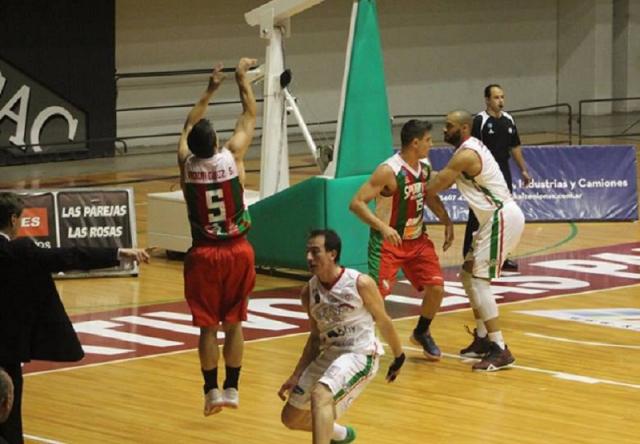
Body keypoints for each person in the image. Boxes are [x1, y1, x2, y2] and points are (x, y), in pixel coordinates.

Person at [0, 192, 149, 443]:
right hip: (6, 349)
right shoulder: (20, 250)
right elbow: (69, 256)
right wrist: (119, 253)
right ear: (13, 220)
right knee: (9, 419)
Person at [177, 57, 258, 416]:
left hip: (203, 255)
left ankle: (211, 391)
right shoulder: (233, 157)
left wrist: (210, 89)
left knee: (208, 329)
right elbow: (249, 116)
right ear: (217, 143)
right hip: (237, 250)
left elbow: (188, 123)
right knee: (234, 323)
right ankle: (234, 388)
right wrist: (243, 80)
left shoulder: (185, 164)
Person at [278, 229, 405, 444]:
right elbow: (315, 337)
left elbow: (383, 320)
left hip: (360, 353)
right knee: (290, 418)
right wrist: (297, 373)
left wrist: (399, 356)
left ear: (332, 254)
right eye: (307, 252)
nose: (309, 257)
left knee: (320, 396)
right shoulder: (308, 292)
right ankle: (341, 435)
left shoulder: (360, 283)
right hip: (331, 353)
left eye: (315, 252)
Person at [427, 110, 525, 371]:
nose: (444, 130)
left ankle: (500, 347)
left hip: (501, 216)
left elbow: (437, 186)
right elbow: (442, 177)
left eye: (449, 126)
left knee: (479, 280)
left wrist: (413, 178)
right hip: (493, 220)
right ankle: (482, 339)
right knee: (469, 275)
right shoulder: (465, 151)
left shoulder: (466, 154)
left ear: (464, 127)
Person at [349, 119, 454, 361]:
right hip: (389, 243)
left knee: (437, 288)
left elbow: (427, 196)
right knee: (376, 297)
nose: (432, 143)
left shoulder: (424, 166)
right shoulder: (388, 170)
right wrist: (383, 227)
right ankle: (361, 341)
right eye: (428, 140)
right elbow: (356, 203)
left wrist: (447, 220)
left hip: (417, 240)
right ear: (415, 143)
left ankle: (422, 331)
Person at [464, 84, 531, 271]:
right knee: (478, 214)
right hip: (483, 174)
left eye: (502, 97)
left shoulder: (509, 119)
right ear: (487, 100)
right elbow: (471, 149)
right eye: (496, 97)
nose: (500, 101)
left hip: (504, 172)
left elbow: (515, 146)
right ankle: (469, 254)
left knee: (504, 216)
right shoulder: (479, 121)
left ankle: (502, 256)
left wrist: (523, 170)